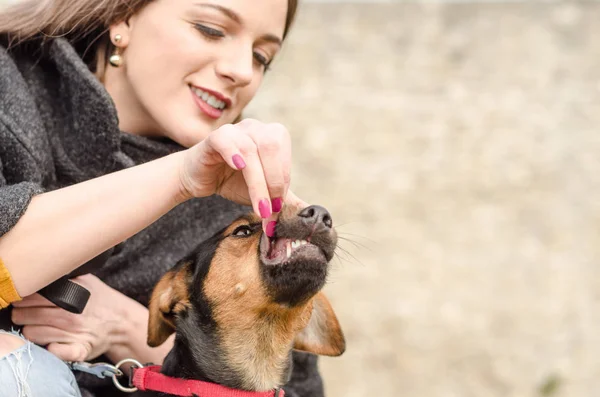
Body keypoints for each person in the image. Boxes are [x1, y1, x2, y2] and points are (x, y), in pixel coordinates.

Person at [0, 0, 325, 396]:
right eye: (211, 29)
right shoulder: (9, 91)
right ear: (122, 17)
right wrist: (178, 177)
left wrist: (128, 326)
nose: (241, 71)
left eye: (261, 57)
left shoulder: (241, 209)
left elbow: (298, 391)